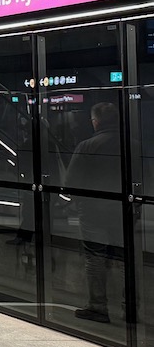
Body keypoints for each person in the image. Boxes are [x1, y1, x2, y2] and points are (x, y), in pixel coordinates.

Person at [62, 101, 121, 324]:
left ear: (95, 122)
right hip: (121, 211)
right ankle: (130, 308)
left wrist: (79, 202)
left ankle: (98, 306)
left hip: (93, 212)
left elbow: (71, 183)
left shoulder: (87, 146)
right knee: (124, 258)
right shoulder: (132, 144)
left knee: (95, 257)